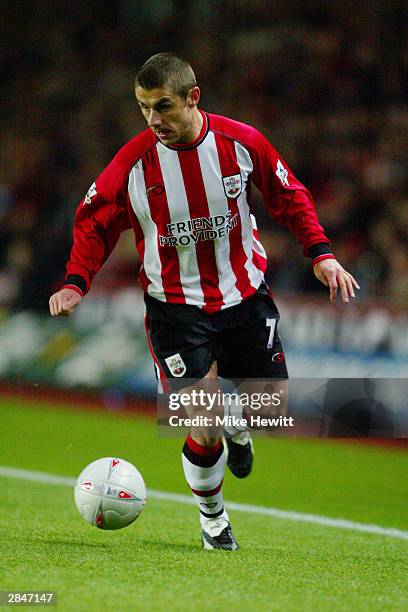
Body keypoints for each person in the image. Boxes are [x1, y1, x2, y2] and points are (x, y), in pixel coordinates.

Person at [49, 53, 359, 551]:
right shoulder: (131, 165)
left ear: (193, 98)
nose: (154, 120)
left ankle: (239, 421)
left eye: (163, 106)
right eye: (144, 108)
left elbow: (289, 195)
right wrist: (76, 281)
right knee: (202, 417)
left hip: (245, 297)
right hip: (174, 309)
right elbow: (94, 222)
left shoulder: (242, 143)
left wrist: (320, 253)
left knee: (264, 403)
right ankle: (213, 518)